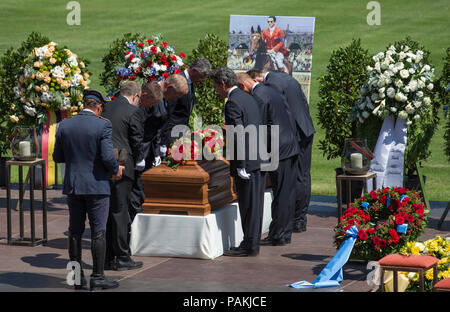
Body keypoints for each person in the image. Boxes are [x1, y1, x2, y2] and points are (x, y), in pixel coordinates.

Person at [53, 89, 123, 291]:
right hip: (97, 186)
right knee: (98, 231)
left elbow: (58, 156)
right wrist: (116, 169)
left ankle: (76, 277)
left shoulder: (64, 125)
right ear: (99, 107)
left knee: (74, 232)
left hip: (74, 185)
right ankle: (98, 277)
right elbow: (108, 157)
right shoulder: (103, 125)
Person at [248, 69, 315, 233]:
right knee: (303, 175)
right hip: (305, 128)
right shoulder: (282, 76)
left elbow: (281, 113)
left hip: (295, 133)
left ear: (258, 79)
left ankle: (296, 219)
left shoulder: (272, 84)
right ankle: (300, 218)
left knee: (295, 178)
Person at [236, 72, 300, 246]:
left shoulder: (259, 96)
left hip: (279, 149)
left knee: (280, 193)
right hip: (289, 144)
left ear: (243, 86)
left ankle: (278, 235)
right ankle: (283, 233)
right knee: (286, 192)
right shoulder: (269, 90)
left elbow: (259, 127)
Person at [210, 66, 263, 257]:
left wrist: (240, 164)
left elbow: (238, 134)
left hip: (246, 162)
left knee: (248, 205)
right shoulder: (248, 97)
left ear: (223, 84)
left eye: (216, 87)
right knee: (254, 205)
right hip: (256, 158)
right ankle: (252, 243)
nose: (216, 91)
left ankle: (249, 245)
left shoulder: (232, 102)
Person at [102, 81, 145, 271]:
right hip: (123, 165)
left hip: (104, 166)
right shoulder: (133, 111)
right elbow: (136, 140)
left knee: (107, 212)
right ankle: (122, 256)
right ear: (135, 96)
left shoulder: (106, 107)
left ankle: (107, 256)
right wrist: (139, 161)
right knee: (120, 212)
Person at [129, 81, 163, 220]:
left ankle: (140, 216)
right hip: (134, 152)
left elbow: (155, 129)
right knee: (135, 189)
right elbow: (137, 133)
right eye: (151, 102)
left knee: (140, 187)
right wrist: (139, 156)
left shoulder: (147, 106)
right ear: (143, 96)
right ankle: (134, 220)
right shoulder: (135, 107)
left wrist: (156, 151)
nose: (152, 105)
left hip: (145, 152)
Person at [161, 58, 211, 148]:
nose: (202, 80)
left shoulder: (190, 83)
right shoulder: (179, 82)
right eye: (201, 77)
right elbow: (168, 112)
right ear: (194, 70)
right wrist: (164, 141)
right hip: (171, 133)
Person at [142, 74, 189, 168]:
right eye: (176, 95)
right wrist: (140, 156)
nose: (176, 99)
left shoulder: (168, 99)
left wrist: (161, 146)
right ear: (170, 88)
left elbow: (164, 124)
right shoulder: (150, 94)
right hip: (143, 149)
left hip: (154, 150)